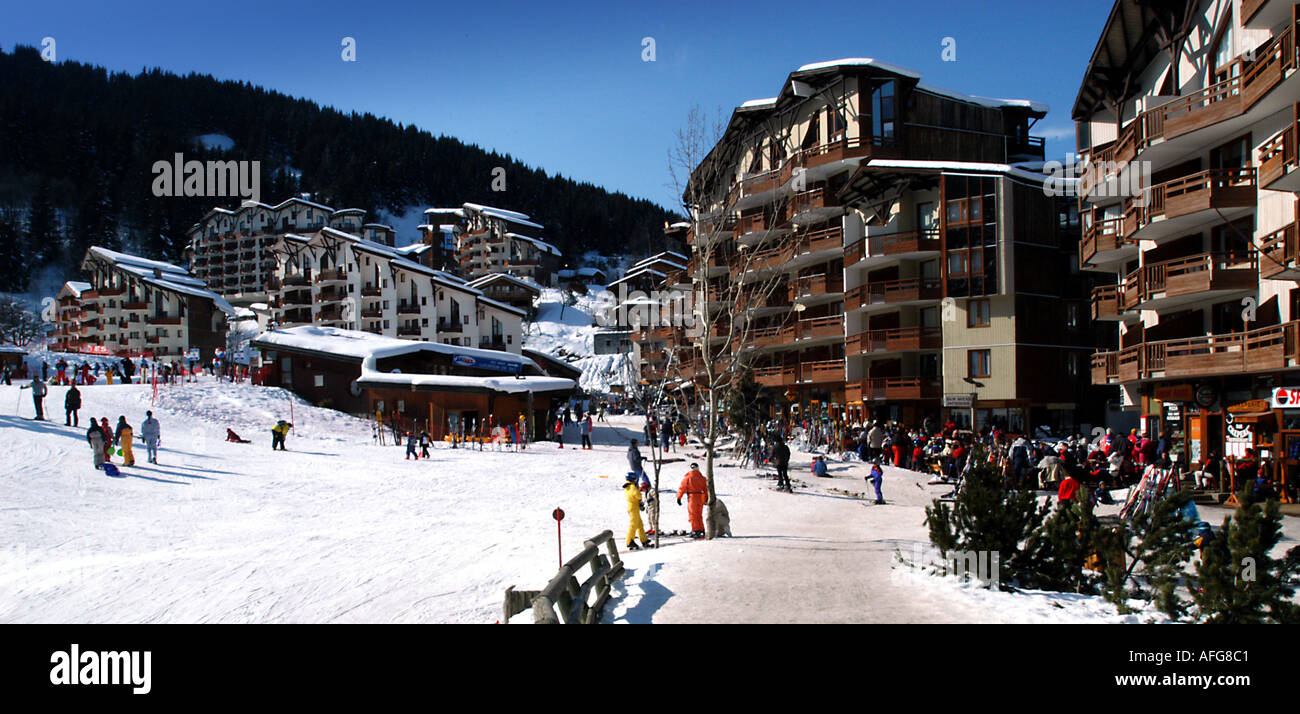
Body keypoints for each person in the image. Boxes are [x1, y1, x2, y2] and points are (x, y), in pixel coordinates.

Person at [677, 463, 708, 538]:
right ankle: (701, 529)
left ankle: (695, 530)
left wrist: (679, 497)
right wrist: (705, 499)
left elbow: (682, 488)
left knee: (693, 514)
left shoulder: (687, 478)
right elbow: (706, 489)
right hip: (700, 497)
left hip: (692, 497)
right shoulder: (703, 478)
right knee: (699, 514)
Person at [623, 474, 652, 550]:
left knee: (639, 524)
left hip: (633, 506)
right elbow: (638, 495)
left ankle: (644, 540)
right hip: (634, 507)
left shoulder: (627, 486)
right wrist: (638, 491)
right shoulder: (632, 487)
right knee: (633, 524)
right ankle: (629, 541)